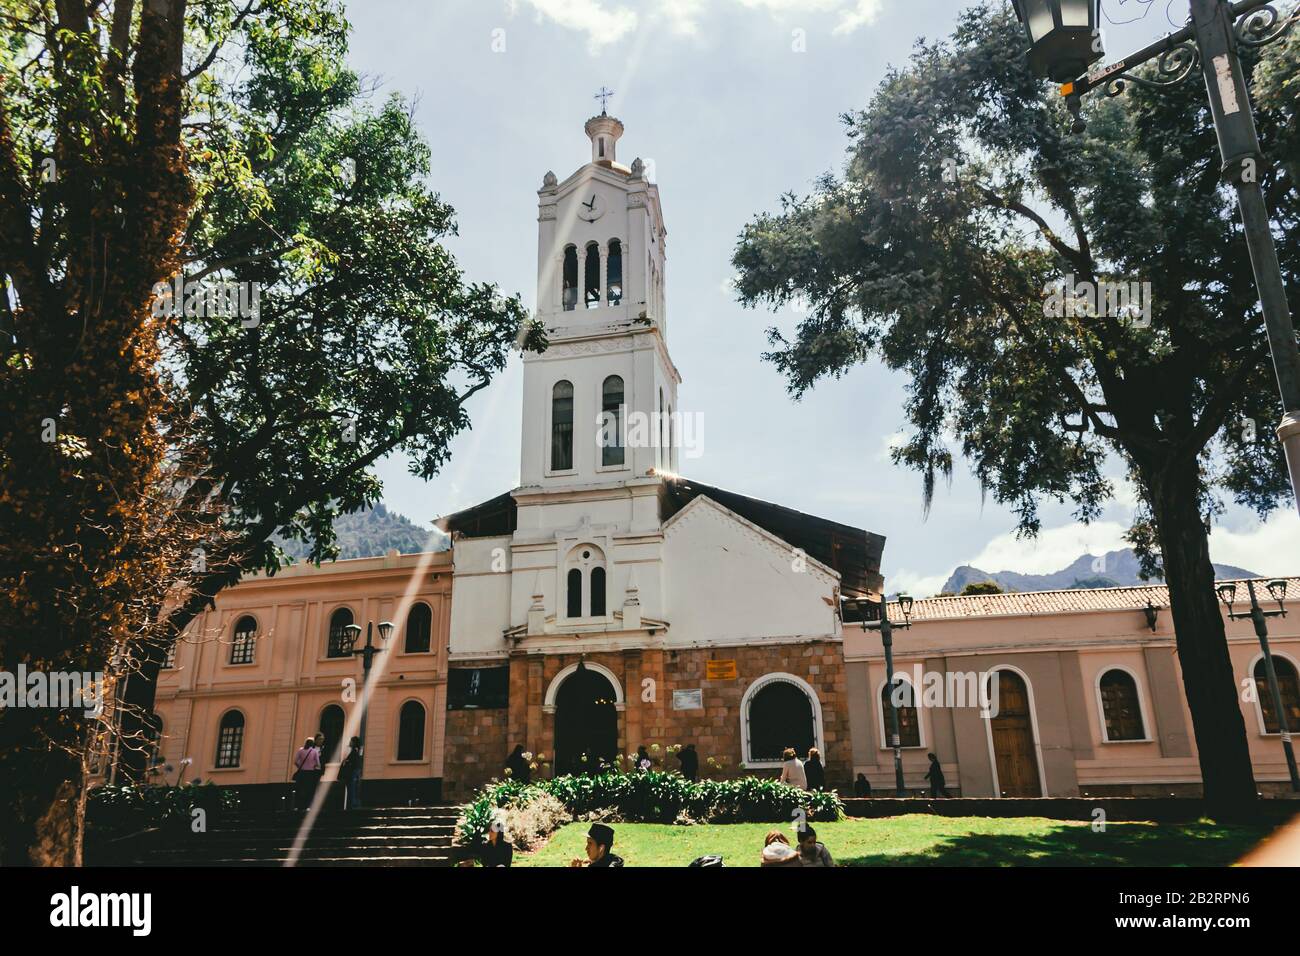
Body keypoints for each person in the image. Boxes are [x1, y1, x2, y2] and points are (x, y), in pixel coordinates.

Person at [292, 737, 320, 810]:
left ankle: (298, 806)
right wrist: (313, 766)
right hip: (310, 773)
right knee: (309, 790)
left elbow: (295, 761)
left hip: (302, 772)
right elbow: (318, 764)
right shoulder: (314, 752)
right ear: (312, 743)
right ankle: (308, 806)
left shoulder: (300, 750)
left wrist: (300, 767)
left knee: (300, 789)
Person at [340, 737, 363, 810]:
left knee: (352, 789)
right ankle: (353, 804)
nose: (349, 742)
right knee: (353, 788)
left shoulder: (354, 751)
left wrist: (346, 761)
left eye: (351, 741)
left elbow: (353, 762)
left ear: (353, 742)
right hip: (355, 772)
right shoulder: (357, 751)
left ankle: (352, 805)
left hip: (352, 772)